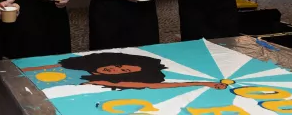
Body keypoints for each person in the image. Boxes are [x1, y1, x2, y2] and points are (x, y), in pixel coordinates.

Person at [20, 52, 227, 90]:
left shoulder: (97, 82)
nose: (115, 68)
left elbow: (150, 84)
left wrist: (205, 84)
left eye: (121, 71)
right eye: (120, 65)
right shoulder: (78, 65)